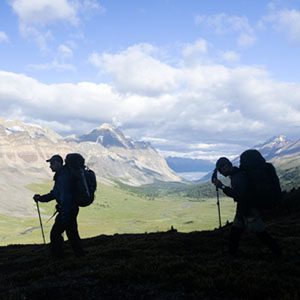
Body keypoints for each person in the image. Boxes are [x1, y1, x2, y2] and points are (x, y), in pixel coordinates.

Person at [212, 157, 282, 259]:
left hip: (249, 209)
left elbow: (238, 195)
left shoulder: (238, 176)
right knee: (235, 231)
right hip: (243, 209)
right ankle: (231, 254)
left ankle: (278, 253)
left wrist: (222, 186)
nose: (221, 173)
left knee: (260, 232)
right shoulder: (236, 174)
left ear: (226, 166)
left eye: (221, 170)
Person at [33, 154, 85, 258]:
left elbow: (65, 197)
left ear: (58, 163)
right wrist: (41, 198)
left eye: (52, 163)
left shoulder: (63, 177)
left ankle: (58, 257)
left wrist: (64, 214)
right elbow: (55, 194)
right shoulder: (63, 175)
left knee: (55, 233)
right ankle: (80, 255)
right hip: (71, 209)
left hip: (67, 210)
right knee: (72, 233)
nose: (50, 166)